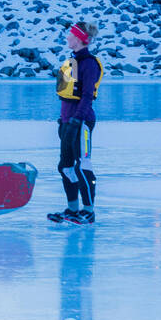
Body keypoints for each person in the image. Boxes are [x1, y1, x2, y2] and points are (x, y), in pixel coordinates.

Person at [48, 20, 103, 225]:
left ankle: (88, 211)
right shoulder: (73, 61)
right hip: (66, 122)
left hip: (81, 122)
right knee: (65, 166)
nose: (67, 37)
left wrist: (77, 119)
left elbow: (88, 95)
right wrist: (65, 121)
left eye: (71, 34)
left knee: (82, 166)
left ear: (80, 39)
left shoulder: (89, 63)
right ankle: (72, 209)